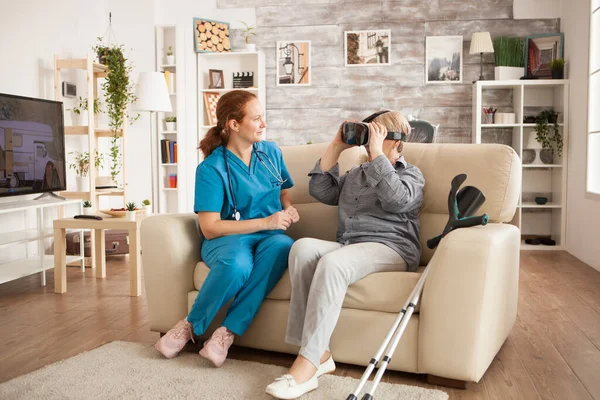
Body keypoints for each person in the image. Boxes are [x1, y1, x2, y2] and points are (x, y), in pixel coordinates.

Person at [265, 111, 425, 399]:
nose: (368, 142)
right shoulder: (355, 174)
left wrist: (378, 154)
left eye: (376, 134)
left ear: (395, 140)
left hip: (392, 247)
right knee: (302, 248)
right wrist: (337, 146)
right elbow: (321, 191)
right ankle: (319, 353)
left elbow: (397, 200)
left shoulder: (410, 173)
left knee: (333, 263)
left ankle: (306, 367)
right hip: (352, 244)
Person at [154, 90, 300, 368]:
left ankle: (226, 332)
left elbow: (283, 192)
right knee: (237, 266)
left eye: (262, 118)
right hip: (227, 239)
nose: (263, 124)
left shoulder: (271, 153)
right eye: (256, 119)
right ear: (234, 124)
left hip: (270, 238)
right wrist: (266, 222)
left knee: (283, 246)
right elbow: (209, 228)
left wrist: (288, 208)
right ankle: (189, 326)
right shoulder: (211, 168)